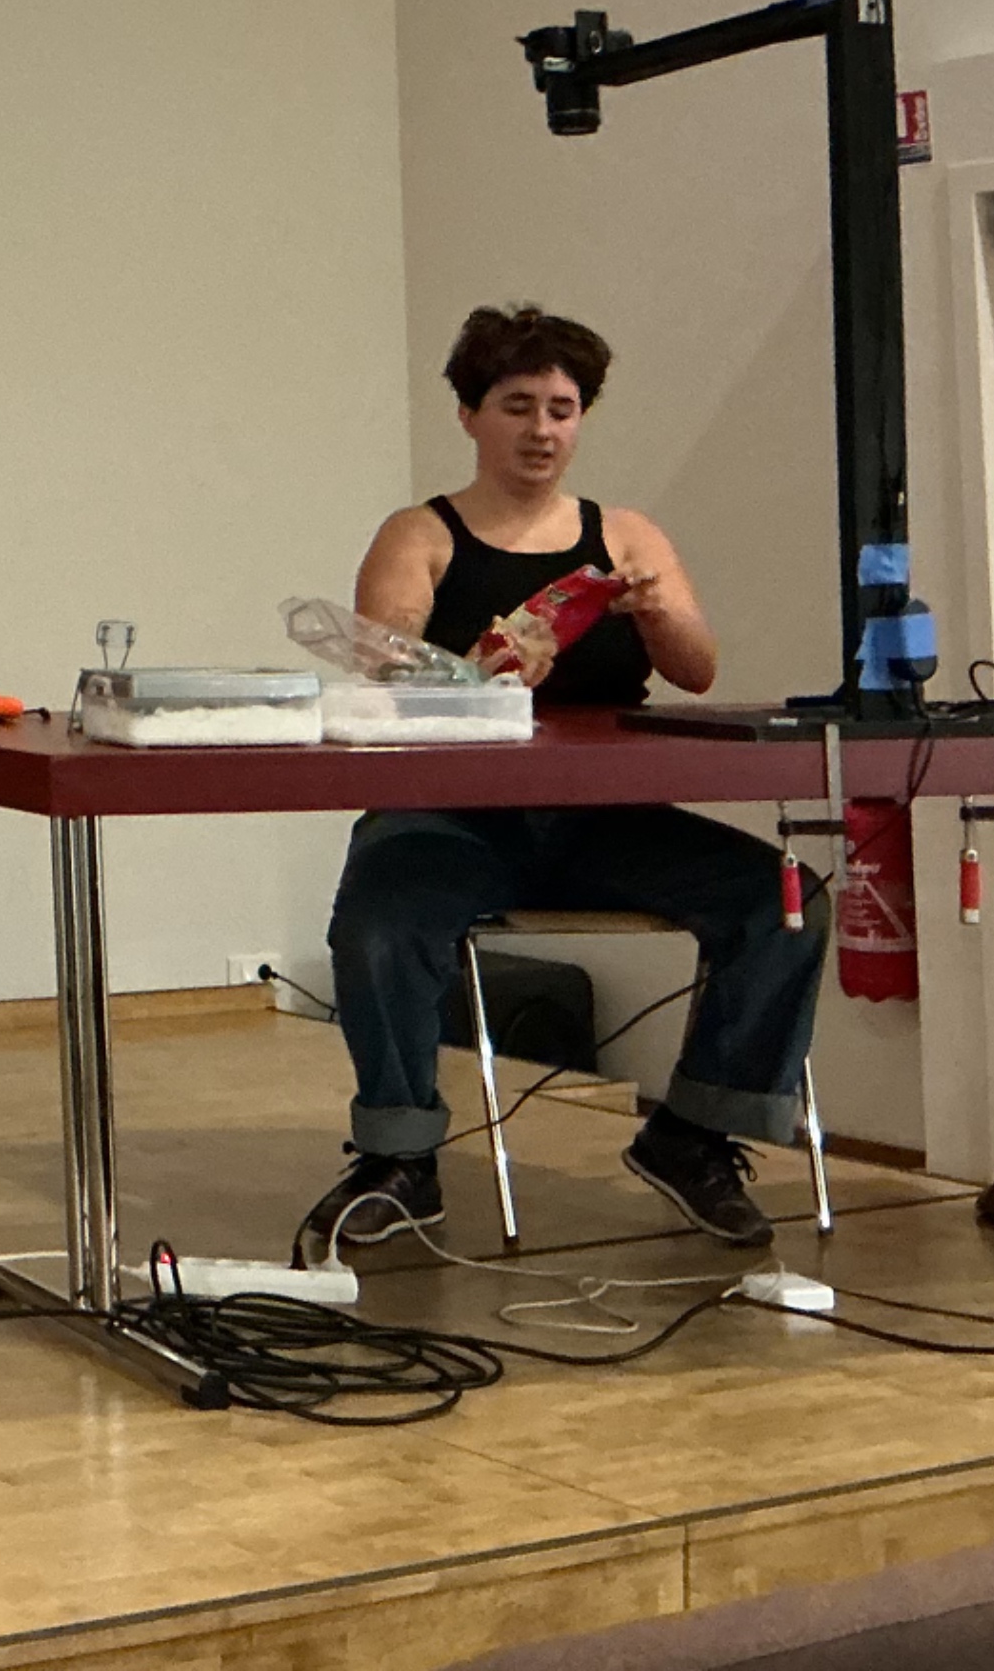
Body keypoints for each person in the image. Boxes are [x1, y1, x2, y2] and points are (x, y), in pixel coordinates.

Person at [292, 303, 824, 1267]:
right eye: (517, 406)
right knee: (379, 923)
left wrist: (656, 612)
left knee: (786, 903)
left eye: (562, 409)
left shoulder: (627, 534)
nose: (541, 430)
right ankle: (398, 1158)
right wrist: (478, 672)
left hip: (604, 819)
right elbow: (384, 674)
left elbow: (698, 671)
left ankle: (694, 1135)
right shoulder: (420, 533)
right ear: (470, 415)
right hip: (451, 816)